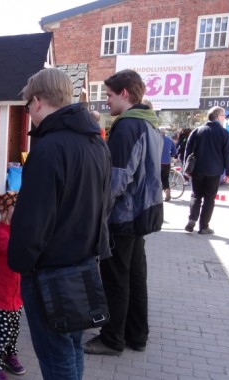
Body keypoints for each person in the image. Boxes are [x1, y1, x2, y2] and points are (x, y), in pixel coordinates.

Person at [7, 68, 112, 379]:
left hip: (49, 272)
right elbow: (105, 204)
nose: (29, 112)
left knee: (56, 356)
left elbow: (33, 222)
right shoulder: (95, 143)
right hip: (83, 264)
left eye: (27, 105)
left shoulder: (49, 148)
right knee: (72, 346)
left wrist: (20, 263)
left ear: (37, 101)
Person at [84, 69, 163, 357]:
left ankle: (112, 338)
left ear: (125, 94)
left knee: (116, 278)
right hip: (142, 213)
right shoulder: (150, 123)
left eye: (109, 94)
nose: (107, 101)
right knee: (134, 276)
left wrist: (98, 214)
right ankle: (136, 334)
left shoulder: (128, 126)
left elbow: (116, 179)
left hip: (123, 216)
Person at [0, 191, 25, 380]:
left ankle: (10, 356)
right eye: (16, 208)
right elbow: (10, 247)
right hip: (0, 295)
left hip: (16, 295)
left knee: (14, 329)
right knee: (3, 332)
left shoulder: (19, 232)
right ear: (5, 211)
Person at [183, 106, 229, 235]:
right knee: (209, 199)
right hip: (214, 171)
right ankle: (204, 226)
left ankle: (192, 219)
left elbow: (188, 151)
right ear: (218, 117)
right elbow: (228, 154)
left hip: (197, 170)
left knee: (195, 195)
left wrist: (186, 169)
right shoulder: (224, 133)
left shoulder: (197, 131)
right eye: (223, 116)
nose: (224, 119)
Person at [160, 128, 177, 201]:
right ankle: (167, 192)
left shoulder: (155, 139)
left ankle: (156, 196)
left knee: (156, 179)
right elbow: (174, 151)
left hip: (158, 162)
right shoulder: (170, 140)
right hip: (167, 162)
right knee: (165, 178)